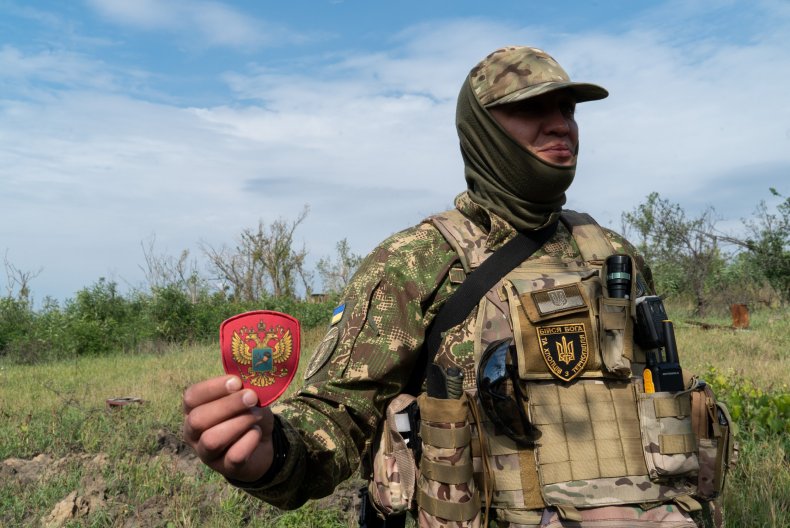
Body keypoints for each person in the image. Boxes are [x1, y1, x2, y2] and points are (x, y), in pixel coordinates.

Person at [183, 46, 733, 527]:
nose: (560, 123)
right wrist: (270, 452)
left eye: (567, 108)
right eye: (529, 108)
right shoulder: (415, 261)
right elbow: (339, 417)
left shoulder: (613, 252)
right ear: (482, 129)